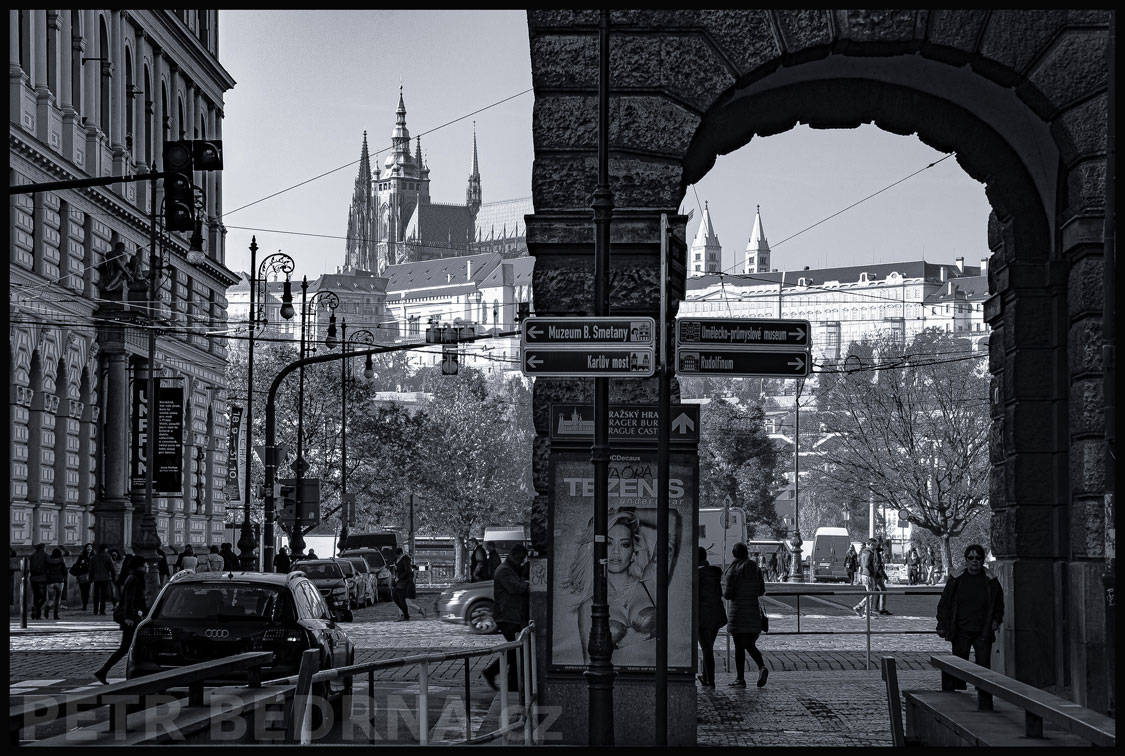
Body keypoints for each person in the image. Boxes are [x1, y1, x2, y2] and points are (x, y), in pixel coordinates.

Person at [935, 544, 1005, 691]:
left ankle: (983, 694)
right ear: (966, 560)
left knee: (983, 665)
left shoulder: (991, 581)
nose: (974, 561)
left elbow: (999, 604)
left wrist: (996, 620)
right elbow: (945, 603)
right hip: (960, 629)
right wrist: (942, 624)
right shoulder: (956, 579)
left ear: (982, 560)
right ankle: (959, 694)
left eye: (978, 558)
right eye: (971, 558)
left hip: (983, 630)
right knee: (959, 665)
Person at [481, 543, 530, 691]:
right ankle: (496, 674)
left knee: (515, 649)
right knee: (515, 649)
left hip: (512, 614)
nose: (521, 562)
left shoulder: (512, 569)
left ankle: (509, 681)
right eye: (520, 559)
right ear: (514, 556)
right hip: (507, 616)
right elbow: (516, 588)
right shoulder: (504, 571)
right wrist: (526, 583)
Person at [94, 555, 148, 684]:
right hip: (131, 618)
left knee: (134, 646)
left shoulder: (135, 578)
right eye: (145, 565)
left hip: (134, 617)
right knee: (126, 647)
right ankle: (104, 671)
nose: (148, 567)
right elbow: (129, 599)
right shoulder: (134, 579)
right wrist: (128, 617)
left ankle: (136, 673)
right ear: (139, 567)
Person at [722, 542, 768, 688]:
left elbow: (728, 594)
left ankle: (740, 678)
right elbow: (761, 591)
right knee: (749, 643)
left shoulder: (733, 569)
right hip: (753, 611)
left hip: (738, 613)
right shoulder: (755, 568)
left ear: (734, 554)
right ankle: (761, 667)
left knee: (739, 646)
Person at [697, 547, 727, 688]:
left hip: (702, 616)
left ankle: (710, 680)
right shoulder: (714, 574)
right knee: (708, 647)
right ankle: (706, 676)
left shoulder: (697, 575)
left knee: (706, 649)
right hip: (716, 615)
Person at [852, 538, 880, 617]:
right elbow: (867, 564)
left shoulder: (863, 552)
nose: (876, 547)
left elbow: (862, 564)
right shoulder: (869, 553)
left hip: (864, 574)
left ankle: (866, 611)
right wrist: (873, 572)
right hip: (868, 574)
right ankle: (862, 609)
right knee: (870, 594)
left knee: (869, 593)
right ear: (871, 544)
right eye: (875, 545)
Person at [90, 544, 116, 615]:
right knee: (103, 595)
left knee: (96, 594)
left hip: (96, 578)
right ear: (105, 549)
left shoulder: (94, 557)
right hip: (105, 578)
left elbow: (91, 568)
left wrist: (90, 577)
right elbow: (112, 568)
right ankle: (102, 610)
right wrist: (114, 577)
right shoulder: (107, 557)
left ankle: (95, 610)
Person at [391, 546, 414, 621]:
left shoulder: (405, 560)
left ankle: (406, 615)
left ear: (400, 554)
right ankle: (405, 614)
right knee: (396, 597)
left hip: (404, 581)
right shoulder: (399, 560)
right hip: (400, 581)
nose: (396, 556)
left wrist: (399, 578)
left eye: (397, 554)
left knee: (400, 598)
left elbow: (407, 571)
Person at [45, 548, 68, 620]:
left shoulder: (48, 561)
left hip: (50, 581)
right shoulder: (61, 561)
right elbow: (65, 571)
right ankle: (56, 615)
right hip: (59, 581)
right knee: (58, 598)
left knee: (51, 599)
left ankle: (47, 608)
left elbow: (45, 570)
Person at [70, 543, 94, 611]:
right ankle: (84, 604)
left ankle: (85, 603)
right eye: (88, 547)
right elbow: (77, 565)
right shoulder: (81, 556)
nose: (89, 548)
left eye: (90, 547)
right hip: (81, 575)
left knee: (87, 590)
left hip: (89, 575)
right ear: (86, 548)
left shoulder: (93, 556)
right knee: (83, 590)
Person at [28, 543, 49, 619]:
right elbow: (50, 563)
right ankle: (36, 609)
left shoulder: (32, 556)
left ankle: (35, 611)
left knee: (36, 596)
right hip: (42, 578)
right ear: (43, 548)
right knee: (43, 597)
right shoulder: (45, 555)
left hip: (33, 578)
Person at [874, 538, 891, 614]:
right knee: (876, 591)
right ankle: (877, 608)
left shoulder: (875, 553)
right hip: (876, 575)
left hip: (876, 574)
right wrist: (884, 576)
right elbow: (878, 566)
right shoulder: (876, 554)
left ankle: (880, 608)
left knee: (881, 590)